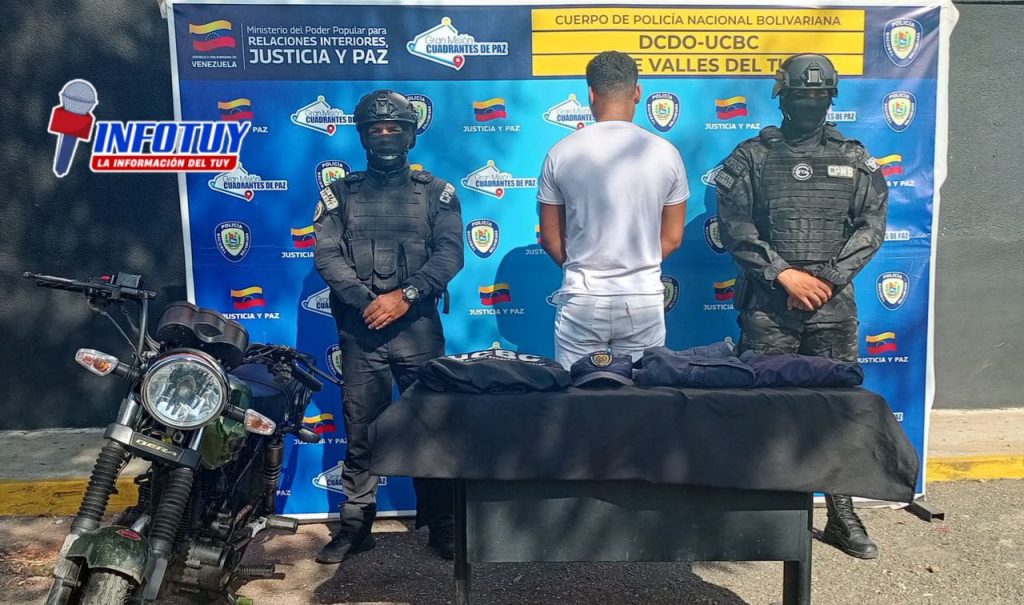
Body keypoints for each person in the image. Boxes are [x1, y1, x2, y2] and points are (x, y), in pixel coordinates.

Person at [715, 54, 889, 559]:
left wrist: (827, 279)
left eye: (818, 95)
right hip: (770, 307)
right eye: (800, 94)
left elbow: (871, 226)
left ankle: (841, 513)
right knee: (766, 411)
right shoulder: (750, 157)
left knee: (837, 412)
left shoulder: (854, 159)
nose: (810, 102)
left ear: (831, 98)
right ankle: (763, 510)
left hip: (832, 309)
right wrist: (783, 274)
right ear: (782, 99)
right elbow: (735, 226)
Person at [312, 89, 464, 562]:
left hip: (418, 328)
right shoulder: (339, 193)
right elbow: (327, 256)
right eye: (375, 129)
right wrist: (369, 304)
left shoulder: (436, 192)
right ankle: (356, 526)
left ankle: (442, 524)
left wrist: (406, 296)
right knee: (361, 429)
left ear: (410, 135)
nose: (385, 136)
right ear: (363, 137)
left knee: (431, 426)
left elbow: (450, 254)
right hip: (362, 332)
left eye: (394, 128)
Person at [537, 50, 690, 370]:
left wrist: (585, 267)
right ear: (637, 93)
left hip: (582, 297)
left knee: (577, 391)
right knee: (639, 393)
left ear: (591, 94)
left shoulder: (560, 153)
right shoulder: (666, 153)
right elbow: (673, 238)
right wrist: (636, 264)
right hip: (642, 297)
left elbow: (550, 238)